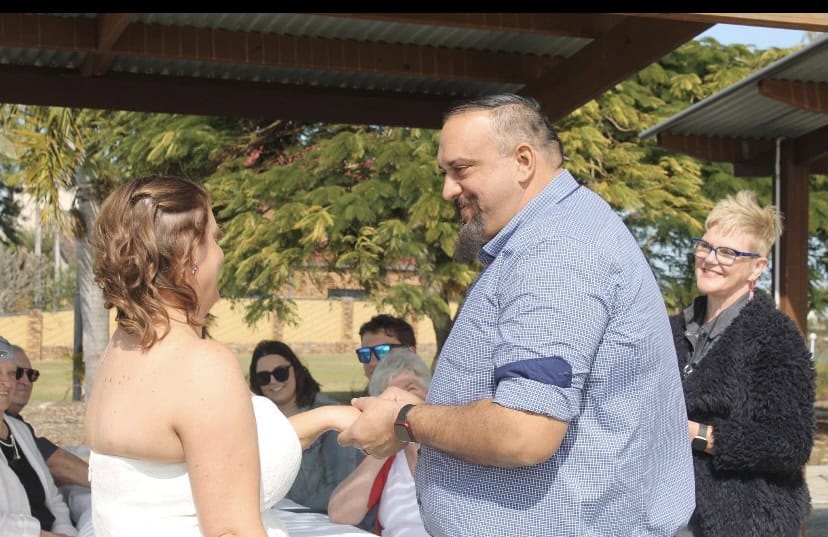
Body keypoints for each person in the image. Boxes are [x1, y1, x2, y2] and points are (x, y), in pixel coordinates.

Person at [339, 93, 695, 536]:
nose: (449, 189)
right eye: (445, 173)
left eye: (461, 169)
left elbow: (523, 431)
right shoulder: (553, 236)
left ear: (523, 161)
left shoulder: (557, 253)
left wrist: (405, 420)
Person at [85, 176, 358, 537]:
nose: (221, 253)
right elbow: (231, 530)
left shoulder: (118, 353)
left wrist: (331, 416)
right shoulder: (201, 365)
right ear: (186, 256)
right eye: (213, 239)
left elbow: (217, 449)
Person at [671, 191, 814, 537]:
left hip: (746, 521)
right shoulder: (672, 329)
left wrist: (699, 435)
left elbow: (791, 443)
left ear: (757, 267)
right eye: (705, 246)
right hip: (669, 513)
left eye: (729, 253)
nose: (710, 259)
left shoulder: (776, 338)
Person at [249, 340, 360, 512]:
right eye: (264, 377)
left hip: (319, 520)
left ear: (296, 370)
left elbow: (342, 484)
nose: (272, 381)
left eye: (280, 373)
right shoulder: (255, 420)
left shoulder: (328, 414)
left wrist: (293, 511)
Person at [328, 349, 430, 537]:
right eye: (391, 400)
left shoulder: (452, 446)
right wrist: (384, 443)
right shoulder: (389, 459)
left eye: (411, 388)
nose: (402, 403)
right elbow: (340, 514)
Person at [5, 342, 93, 537]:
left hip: (49, 525)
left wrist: (65, 531)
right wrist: (109, 483)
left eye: (31, 375)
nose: (25, 381)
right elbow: (58, 464)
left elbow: (55, 500)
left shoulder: (19, 428)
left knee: (85, 498)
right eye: (18, 373)